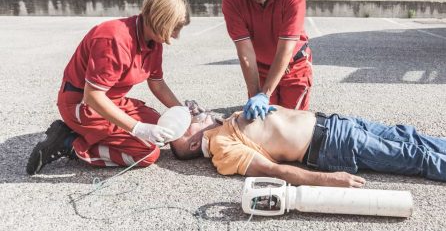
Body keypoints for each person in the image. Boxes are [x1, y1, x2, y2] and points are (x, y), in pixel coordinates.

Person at [26, 0, 191, 175]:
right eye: (175, 27)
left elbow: (157, 83)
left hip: (112, 101)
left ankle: (88, 135)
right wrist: (137, 128)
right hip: (83, 105)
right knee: (146, 153)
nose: (177, 35)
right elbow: (92, 96)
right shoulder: (114, 38)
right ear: (160, 19)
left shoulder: (153, 41)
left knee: (164, 130)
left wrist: (183, 112)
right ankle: (69, 143)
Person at [170, 104, 446, 187]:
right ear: (194, 143)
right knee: (416, 157)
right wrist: (328, 179)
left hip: (337, 123)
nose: (191, 116)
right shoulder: (222, 149)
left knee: (410, 136)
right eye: (188, 123)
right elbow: (275, 171)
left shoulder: (222, 124)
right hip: (332, 144)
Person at [222, 0, 312, 120]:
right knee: (261, 123)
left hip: (293, 65)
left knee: (292, 121)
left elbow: (285, 49)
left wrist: (265, 94)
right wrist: (256, 94)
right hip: (260, 68)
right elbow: (245, 53)